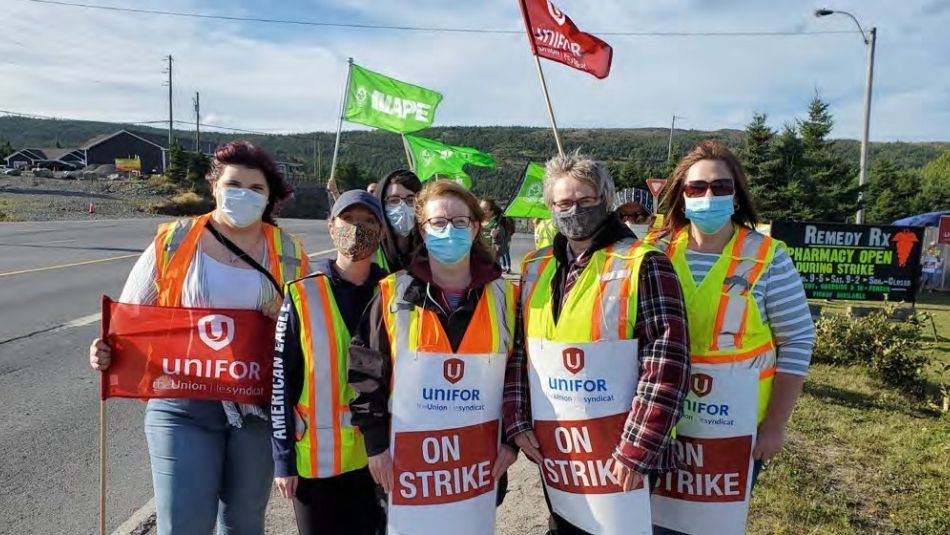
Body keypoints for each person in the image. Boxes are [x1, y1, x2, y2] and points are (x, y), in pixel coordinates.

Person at [89, 141, 309, 535]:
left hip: (257, 407)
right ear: (214, 187)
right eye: (233, 183)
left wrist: (287, 318)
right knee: (184, 523)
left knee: (243, 523)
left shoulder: (289, 252)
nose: (243, 194)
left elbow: (311, 333)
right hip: (182, 403)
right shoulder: (176, 241)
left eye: (256, 188)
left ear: (270, 196)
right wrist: (105, 348)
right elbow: (129, 319)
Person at [503, 152, 690, 535]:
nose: (574, 211)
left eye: (585, 201)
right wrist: (517, 420)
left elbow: (667, 364)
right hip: (559, 445)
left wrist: (637, 451)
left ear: (605, 201)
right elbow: (522, 351)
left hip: (623, 449)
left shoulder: (645, 263)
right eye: (563, 203)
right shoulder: (536, 266)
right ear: (550, 207)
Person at [645, 141, 815, 535]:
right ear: (680, 194)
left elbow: (797, 342)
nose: (709, 196)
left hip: (734, 428)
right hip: (661, 420)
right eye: (697, 188)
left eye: (721, 187)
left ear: (736, 195)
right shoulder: (653, 251)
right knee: (651, 523)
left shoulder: (768, 257)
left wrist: (775, 426)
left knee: (709, 526)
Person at [348, 180, 518, 534]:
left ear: (475, 227)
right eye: (438, 223)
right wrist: (376, 445)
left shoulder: (505, 296)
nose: (449, 231)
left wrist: (510, 440)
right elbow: (366, 374)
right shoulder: (393, 293)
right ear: (422, 230)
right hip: (406, 461)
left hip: (476, 463)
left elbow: (519, 375)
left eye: (460, 222)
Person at [270, 190, 388, 535]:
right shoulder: (301, 294)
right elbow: (280, 383)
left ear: (381, 232)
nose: (357, 228)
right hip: (317, 465)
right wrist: (282, 460)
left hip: (377, 459)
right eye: (348, 219)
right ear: (331, 225)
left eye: (368, 221)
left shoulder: (394, 292)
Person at [374, 169, 423, 272]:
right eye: (394, 200)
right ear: (381, 205)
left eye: (410, 200)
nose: (403, 207)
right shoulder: (372, 253)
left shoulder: (429, 247)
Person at [480, 198, 512, 273]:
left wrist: (494, 238)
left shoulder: (497, 227)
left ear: (491, 212)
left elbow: (502, 251)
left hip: (491, 268)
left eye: (484, 209)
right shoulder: (477, 224)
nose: (481, 211)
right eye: (480, 208)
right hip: (477, 266)